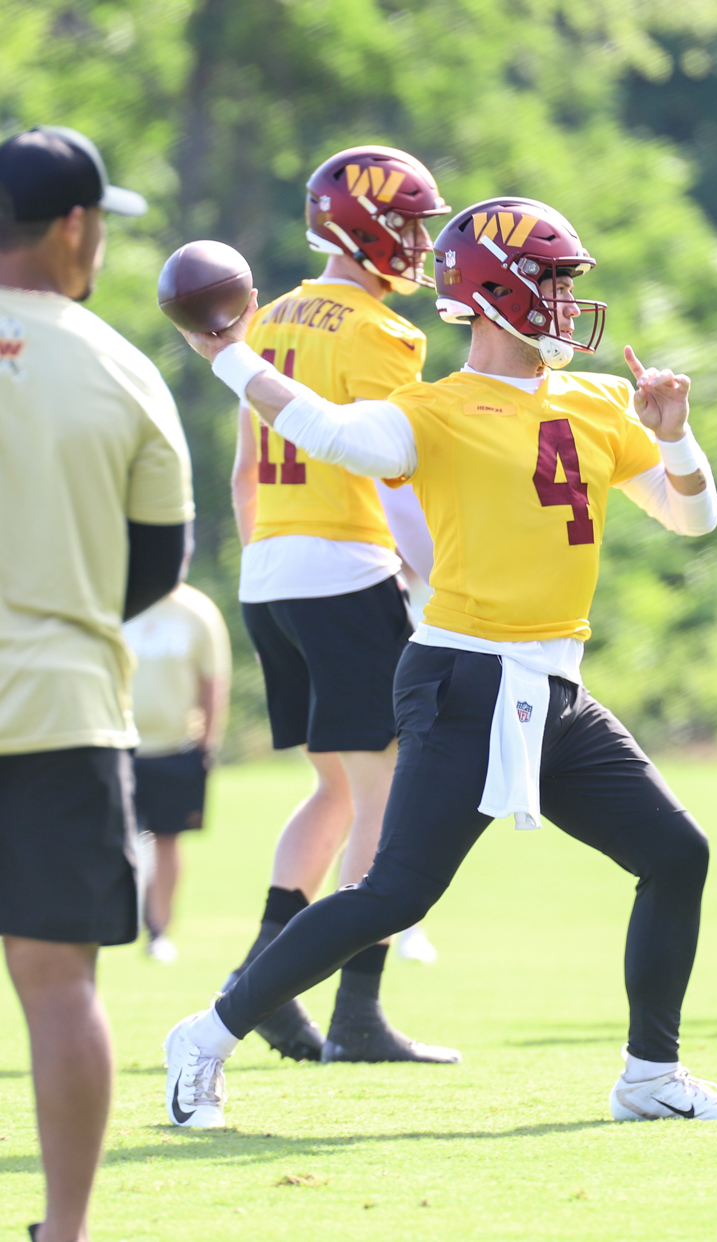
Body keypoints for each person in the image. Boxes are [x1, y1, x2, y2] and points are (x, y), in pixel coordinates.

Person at [164, 194, 717, 1128]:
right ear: (497, 293)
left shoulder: (599, 400)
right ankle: (203, 1036)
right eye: (554, 283)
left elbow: (695, 517)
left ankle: (650, 1076)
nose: (567, 303)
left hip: (555, 685)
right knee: (394, 895)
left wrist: (676, 432)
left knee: (677, 854)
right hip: (464, 679)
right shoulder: (434, 409)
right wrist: (228, 356)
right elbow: (330, 433)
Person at [0, 127, 192, 1242]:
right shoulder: (122, 367)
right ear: (75, 226)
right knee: (58, 986)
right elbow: (156, 569)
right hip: (64, 711)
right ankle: (64, 1234)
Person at [226, 144, 456, 1063]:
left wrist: (271, 566)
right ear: (360, 226)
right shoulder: (381, 333)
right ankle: (350, 1008)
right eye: (405, 223)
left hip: (270, 572)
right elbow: (398, 470)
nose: (416, 241)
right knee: (384, 796)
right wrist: (434, 570)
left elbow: (246, 470)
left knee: (334, 790)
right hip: (344, 568)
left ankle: (265, 982)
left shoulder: (265, 319)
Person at [124, 579, 231, 962]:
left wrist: (208, 743)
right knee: (107, 841)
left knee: (167, 839)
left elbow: (213, 681)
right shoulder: (116, 600)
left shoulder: (196, 611)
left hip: (175, 747)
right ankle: (106, 928)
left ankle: (158, 931)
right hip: (117, 745)